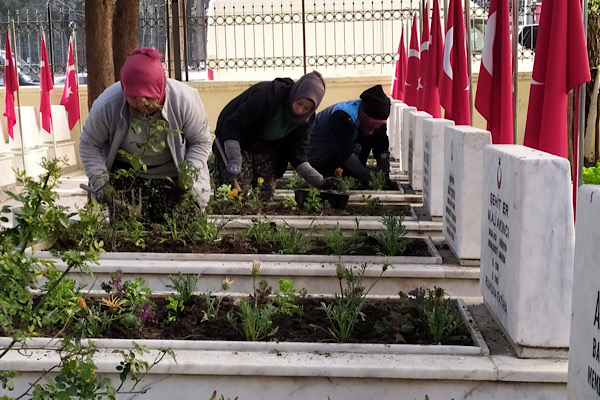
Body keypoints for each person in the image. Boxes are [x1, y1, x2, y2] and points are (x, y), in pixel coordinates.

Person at [79, 48, 212, 223]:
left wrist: (188, 176)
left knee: (182, 229)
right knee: (127, 233)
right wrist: (101, 182)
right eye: (133, 98)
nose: (141, 104)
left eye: (148, 98)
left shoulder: (184, 100)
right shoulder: (107, 104)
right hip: (127, 178)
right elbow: (89, 144)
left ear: (160, 89)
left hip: (173, 176)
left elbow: (201, 142)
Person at [213, 71, 332, 201]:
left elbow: (297, 153)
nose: (300, 110)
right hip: (237, 141)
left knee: (266, 192)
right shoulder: (267, 95)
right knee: (234, 192)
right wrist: (234, 159)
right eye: (299, 103)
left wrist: (319, 181)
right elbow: (233, 125)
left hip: (266, 148)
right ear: (295, 94)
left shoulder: (306, 121)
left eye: (307, 108)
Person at [308, 84, 391, 187]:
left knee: (369, 138)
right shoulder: (342, 115)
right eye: (372, 125)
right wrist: (368, 179)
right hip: (319, 153)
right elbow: (345, 154)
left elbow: (381, 148)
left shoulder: (378, 120)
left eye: (378, 125)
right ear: (364, 114)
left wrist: (384, 176)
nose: (372, 131)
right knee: (347, 174)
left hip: (341, 148)